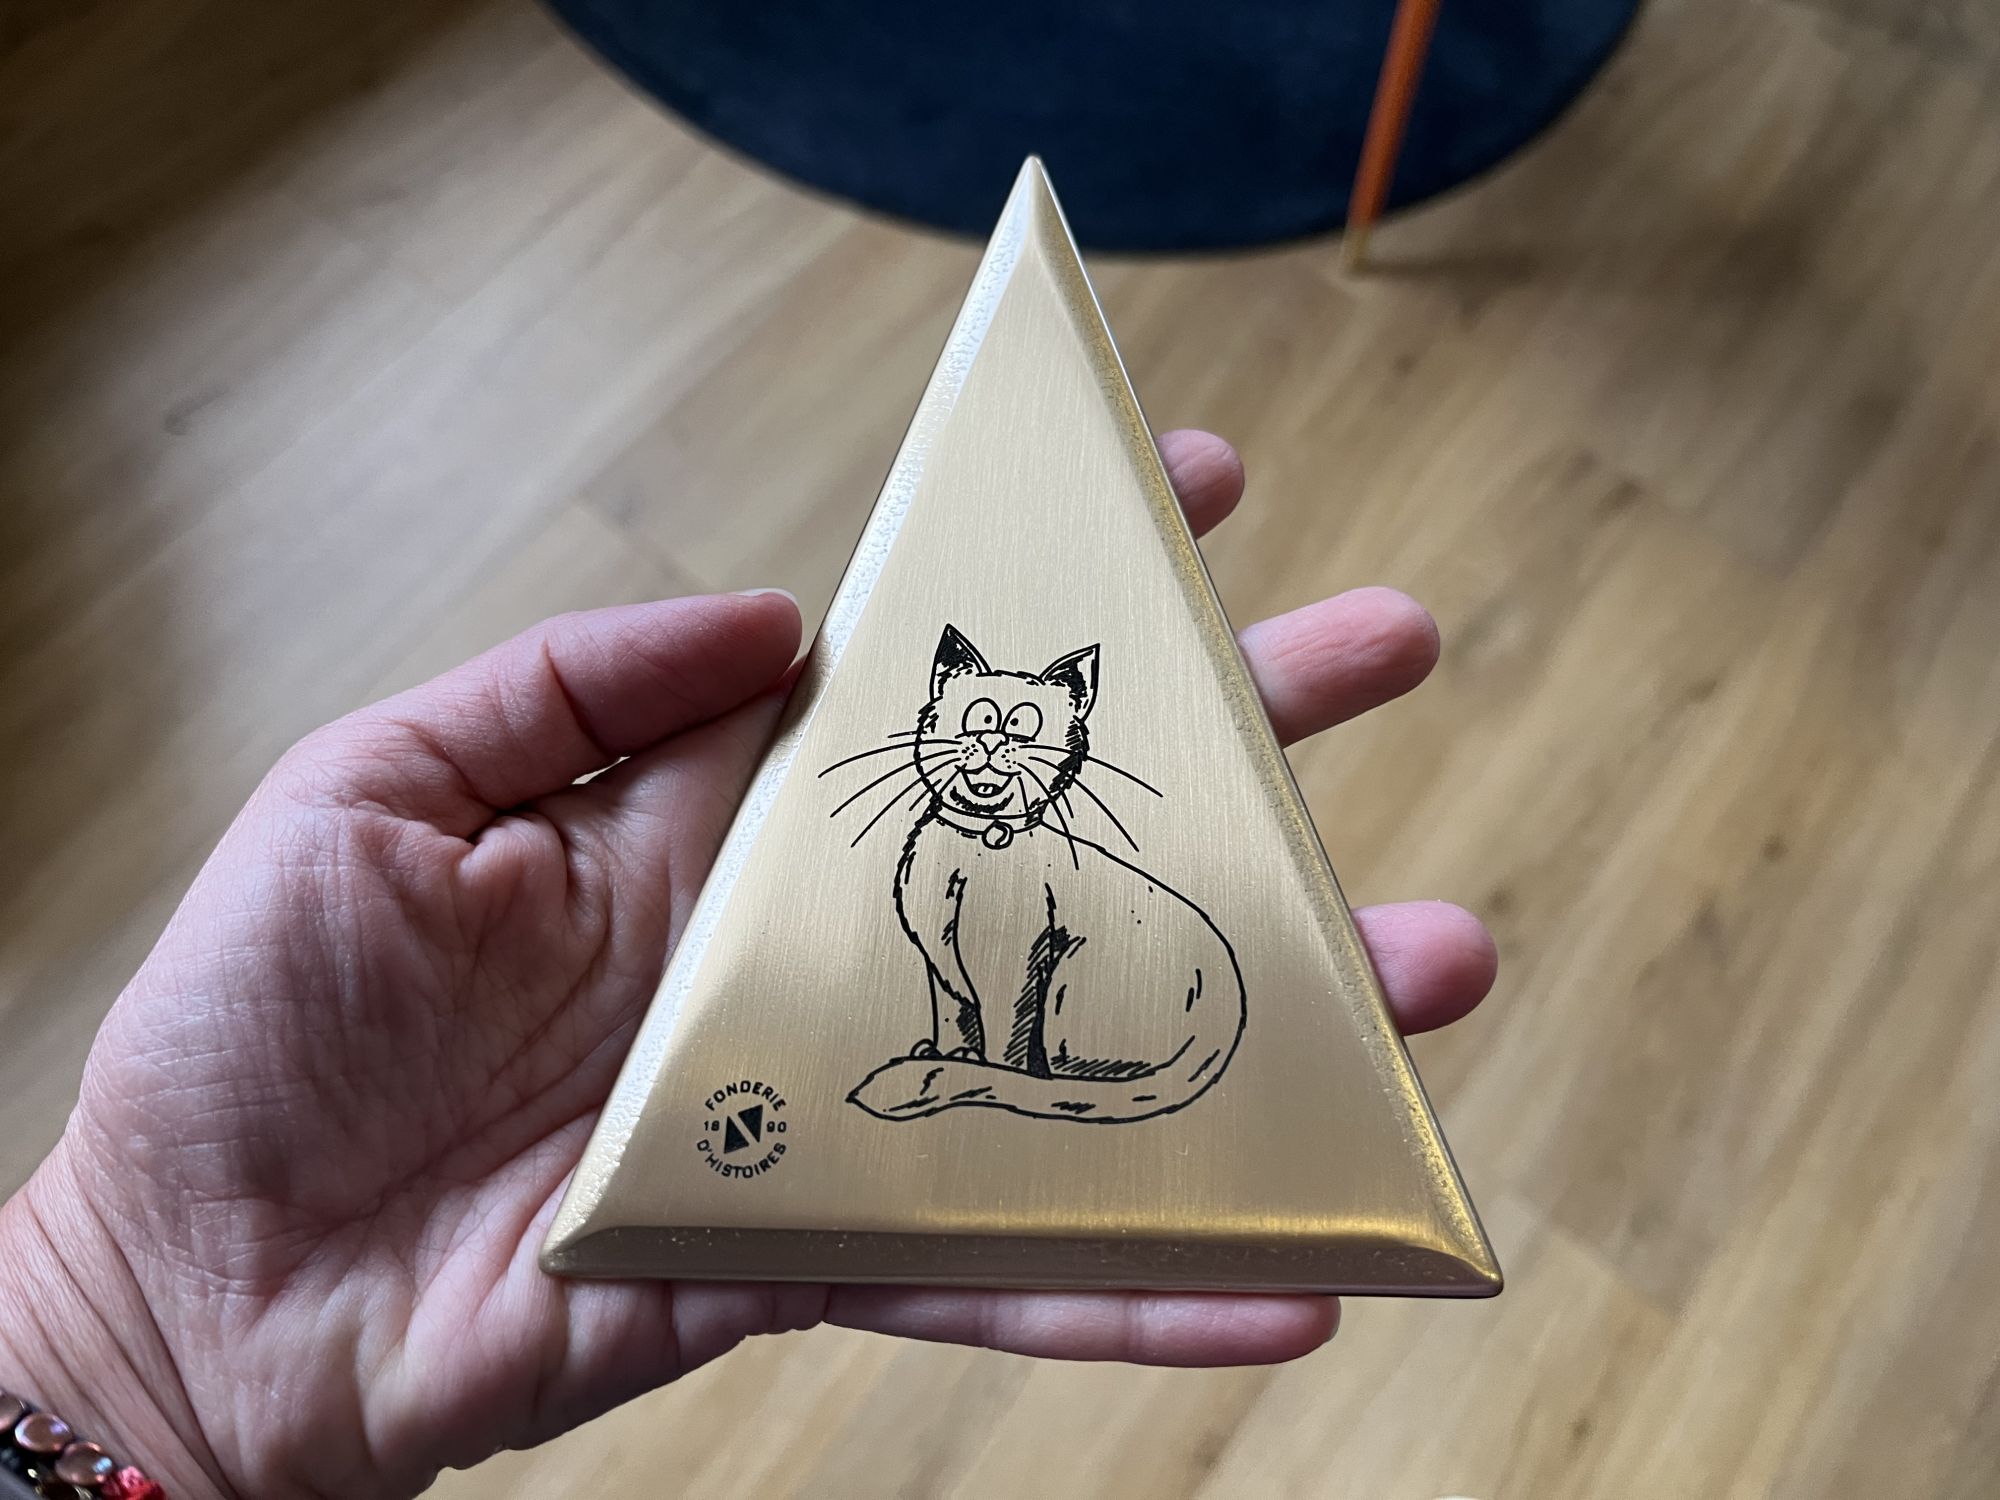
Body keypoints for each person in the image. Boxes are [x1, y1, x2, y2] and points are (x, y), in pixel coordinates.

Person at [0, 432, 1495, 1500]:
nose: (989, 746)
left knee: (1052, 976)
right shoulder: (913, 837)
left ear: (1070, 731)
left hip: (1123, 1026)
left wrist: (121, 1337)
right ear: (938, 708)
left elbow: (1035, 955)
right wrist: (127, 1315)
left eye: (1027, 729)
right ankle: (995, 1075)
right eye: (967, 719)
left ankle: (1022, 1078)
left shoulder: (1054, 843)